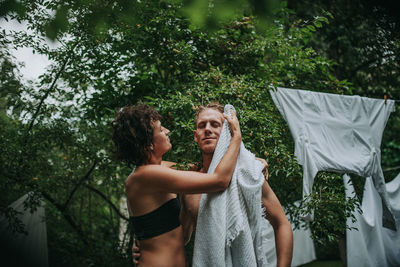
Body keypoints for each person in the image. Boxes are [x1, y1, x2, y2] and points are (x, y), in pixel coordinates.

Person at [133, 103, 294, 267]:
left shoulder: (248, 176)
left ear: (227, 132)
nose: (208, 129)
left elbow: (282, 224)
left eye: (215, 124)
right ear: (196, 136)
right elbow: (181, 237)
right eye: (202, 125)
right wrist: (144, 242)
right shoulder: (190, 182)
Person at [111, 104, 242, 267]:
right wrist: (236, 136)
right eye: (160, 130)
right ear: (149, 143)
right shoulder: (146, 175)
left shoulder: (162, 169)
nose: (167, 131)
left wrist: (252, 163)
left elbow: (205, 168)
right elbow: (219, 180)